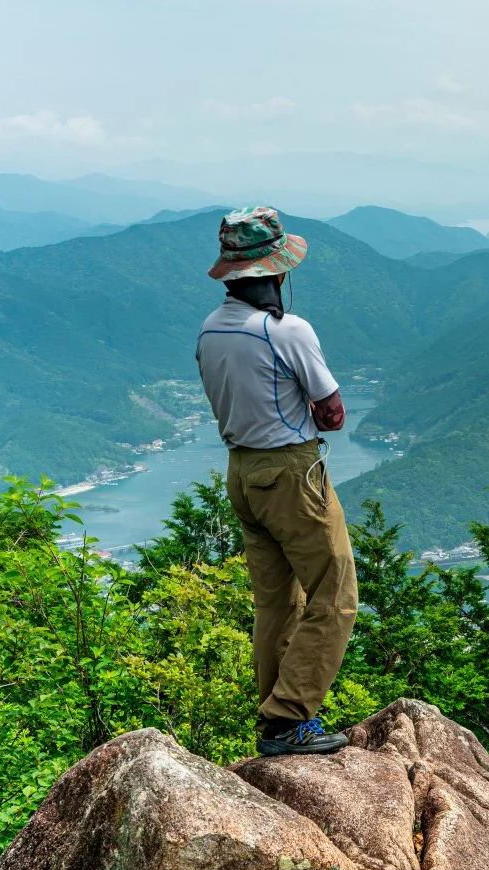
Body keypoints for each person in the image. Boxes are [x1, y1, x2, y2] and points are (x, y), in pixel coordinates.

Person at [196, 206, 357, 756]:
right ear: (276, 271)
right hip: (291, 474)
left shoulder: (211, 328)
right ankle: (288, 720)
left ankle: (275, 722)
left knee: (275, 603)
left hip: (241, 473)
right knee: (335, 596)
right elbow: (333, 414)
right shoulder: (285, 331)